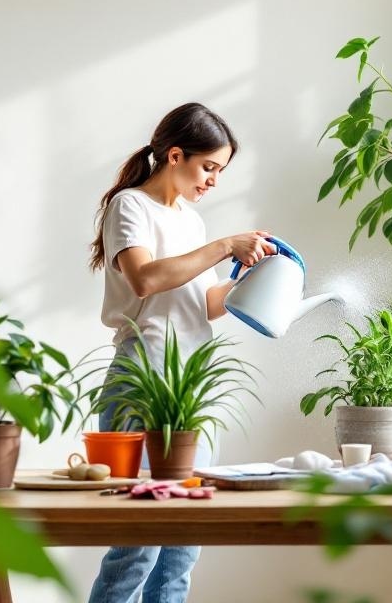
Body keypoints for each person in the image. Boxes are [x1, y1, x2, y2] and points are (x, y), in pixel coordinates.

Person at [87, 102, 273, 603]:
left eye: (220, 171)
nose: (214, 180)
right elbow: (146, 278)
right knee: (141, 542)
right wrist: (221, 247)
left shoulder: (190, 221)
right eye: (209, 167)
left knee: (183, 544)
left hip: (189, 383)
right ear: (175, 155)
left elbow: (205, 305)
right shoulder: (130, 206)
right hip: (144, 376)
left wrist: (252, 279)